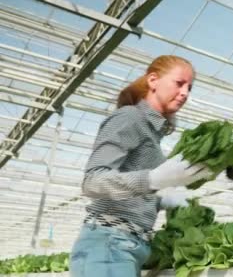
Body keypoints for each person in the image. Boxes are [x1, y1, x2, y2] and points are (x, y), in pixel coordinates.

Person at [69, 55, 212, 277]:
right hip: (109, 243)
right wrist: (153, 179)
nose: (185, 93)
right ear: (153, 80)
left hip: (129, 245)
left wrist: (160, 200)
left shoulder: (154, 135)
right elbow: (93, 182)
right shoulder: (129, 117)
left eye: (190, 87)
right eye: (179, 83)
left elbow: (132, 192)